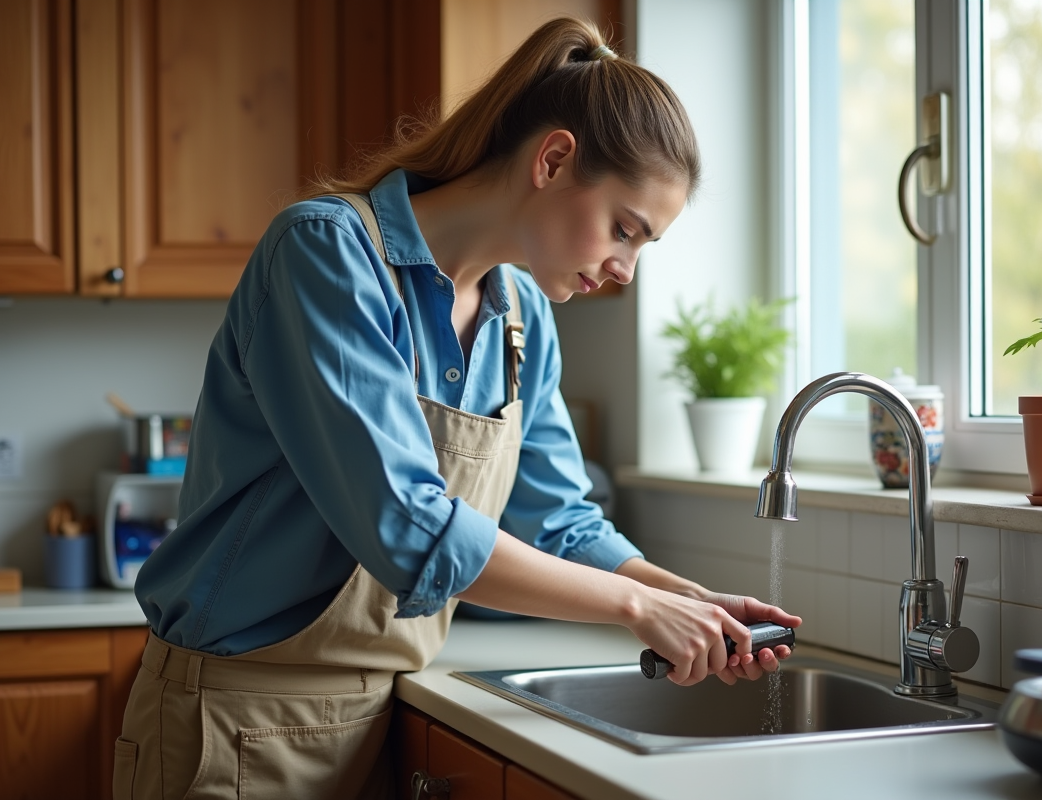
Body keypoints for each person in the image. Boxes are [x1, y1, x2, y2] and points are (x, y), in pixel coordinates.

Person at [114, 17, 802, 800]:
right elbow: (407, 527)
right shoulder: (326, 256)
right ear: (553, 159)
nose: (625, 270)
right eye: (624, 229)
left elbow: (559, 521)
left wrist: (683, 597)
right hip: (232, 725)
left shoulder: (521, 318)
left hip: (378, 718)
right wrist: (636, 607)